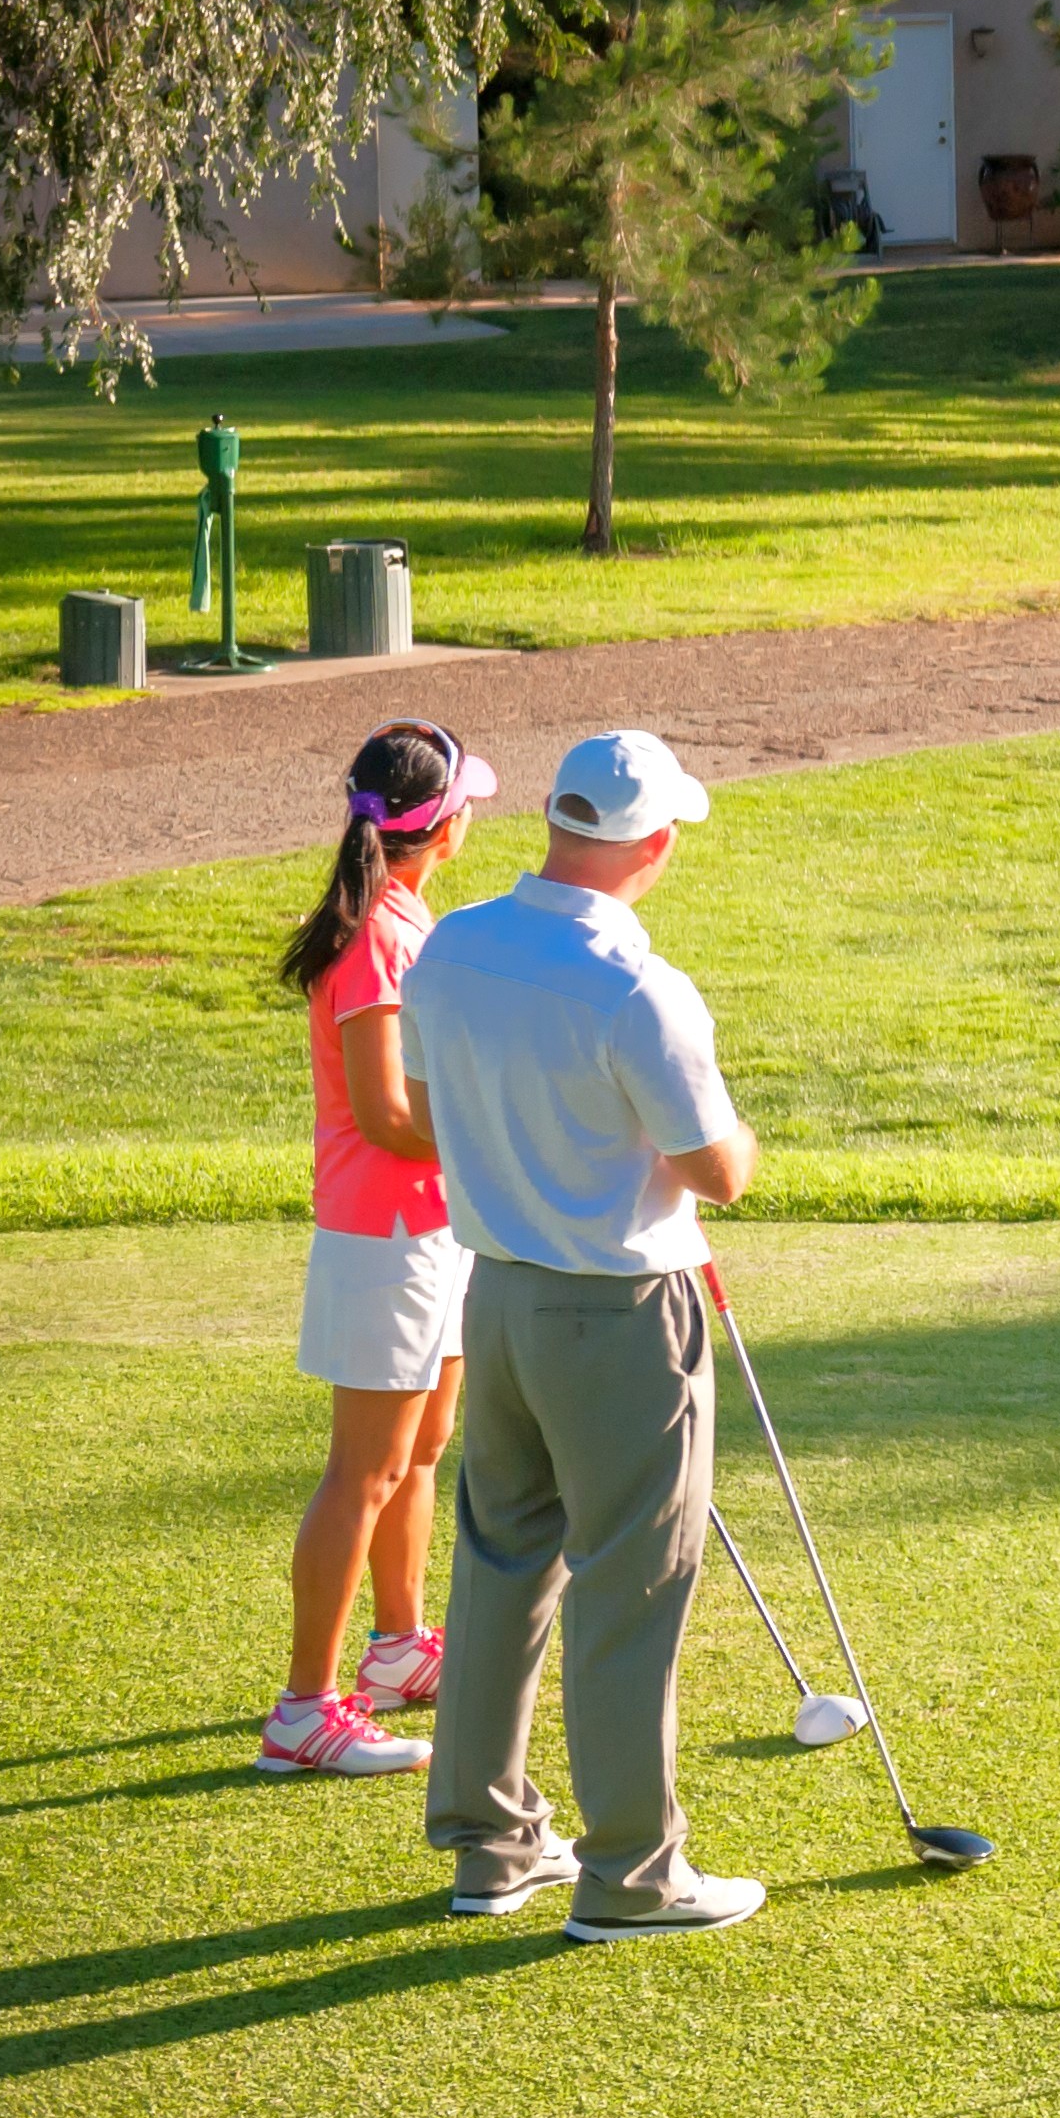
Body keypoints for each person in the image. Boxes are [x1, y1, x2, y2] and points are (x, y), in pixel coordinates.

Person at [400, 727, 767, 1941]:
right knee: (631, 1586)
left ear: (559, 821)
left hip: (497, 1298)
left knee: (501, 1563)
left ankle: (491, 1846)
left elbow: (431, 1106)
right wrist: (735, 1141)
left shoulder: (453, 944)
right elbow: (718, 1172)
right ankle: (632, 1877)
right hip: (621, 1315)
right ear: (652, 844)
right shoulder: (640, 989)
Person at [260, 723, 501, 1778]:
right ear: (442, 829)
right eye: (466, 803)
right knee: (364, 1470)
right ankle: (304, 1712)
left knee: (422, 1448)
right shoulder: (376, 941)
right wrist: (499, 1135)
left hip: (431, 1227)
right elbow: (387, 1114)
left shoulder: (404, 919)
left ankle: (399, 1648)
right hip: (386, 1236)